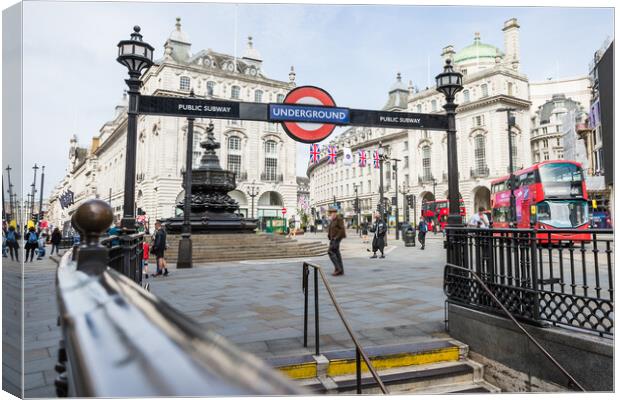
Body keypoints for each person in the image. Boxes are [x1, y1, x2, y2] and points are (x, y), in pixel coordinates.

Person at [327, 207, 346, 276]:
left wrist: (336, 238)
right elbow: (331, 228)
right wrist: (329, 235)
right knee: (337, 254)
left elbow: (342, 229)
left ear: (334, 213)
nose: (330, 215)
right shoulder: (333, 220)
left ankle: (338, 269)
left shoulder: (339, 219)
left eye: (331, 213)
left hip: (337, 239)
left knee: (330, 251)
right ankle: (341, 270)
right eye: (330, 214)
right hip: (333, 239)